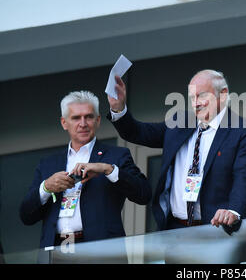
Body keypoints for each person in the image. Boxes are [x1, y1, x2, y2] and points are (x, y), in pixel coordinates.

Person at [107, 70, 246, 235]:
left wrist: (234, 211)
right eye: (192, 98)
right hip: (176, 231)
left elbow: (244, 177)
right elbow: (138, 132)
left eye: (202, 96)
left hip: (219, 231)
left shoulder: (240, 131)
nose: (196, 103)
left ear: (222, 94)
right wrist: (118, 109)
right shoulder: (180, 123)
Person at [20, 91, 152, 251]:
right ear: (64, 123)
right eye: (76, 118)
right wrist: (46, 187)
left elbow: (144, 194)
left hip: (100, 251)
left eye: (89, 117)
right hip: (56, 248)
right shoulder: (48, 164)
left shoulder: (115, 156)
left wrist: (108, 169)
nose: (83, 123)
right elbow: (26, 215)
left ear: (97, 121)